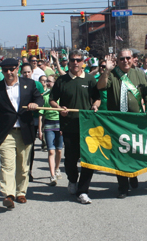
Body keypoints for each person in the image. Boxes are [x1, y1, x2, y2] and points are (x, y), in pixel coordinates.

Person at [0, 58, 43, 209]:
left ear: (17, 69)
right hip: (6, 131)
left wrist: (35, 104)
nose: (9, 73)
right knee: (7, 164)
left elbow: (39, 98)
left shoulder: (29, 84)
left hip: (25, 129)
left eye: (12, 69)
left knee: (23, 165)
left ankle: (21, 192)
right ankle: (8, 194)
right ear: (2, 71)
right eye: (5, 70)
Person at [97, 48, 147, 199]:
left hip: (134, 121)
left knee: (134, 151)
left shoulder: (139, 74)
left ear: (132, 58)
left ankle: (133, 174)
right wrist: (107, 71)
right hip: (117, 121)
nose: (125, 61)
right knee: (119, 153)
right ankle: (122, 186)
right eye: (122, 59)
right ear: (117, 60)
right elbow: (101, 86)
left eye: (128, 58)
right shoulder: (112, 73)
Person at [49, 50, 101, 204]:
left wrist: (95, 106)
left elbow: (97, 99)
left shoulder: (90, 79)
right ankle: (72, 180)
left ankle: (83, 190)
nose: (75, 63)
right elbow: (52, 100)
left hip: (87, 127)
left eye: (78, 60)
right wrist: (59, 108)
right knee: (71, 160)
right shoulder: (62, 80)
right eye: (73, 60)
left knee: (88, 159)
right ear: (68, 61)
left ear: (83, 62)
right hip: (69, 126)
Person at [21, 63, 45, 181]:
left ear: (32, 72)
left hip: (35, 118)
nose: (26, 74)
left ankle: (29, 170)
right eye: (24, 72)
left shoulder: (37, 85)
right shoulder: (18, 84)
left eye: (28, 72)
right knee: (21, 145)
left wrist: (36, 104)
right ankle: (21, 170)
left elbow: (40, 99)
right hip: (22, 118)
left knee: (30, 145)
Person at [38, 75, 63, 186]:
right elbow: (41, 115)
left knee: (59, 150)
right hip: (48, 124)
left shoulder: (61, 95)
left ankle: (57, 168)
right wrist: (40, 130)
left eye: (50, 81)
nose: (48, 83)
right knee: (51, 150)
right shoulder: (44, 96)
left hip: (60, 124)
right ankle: (52, 175)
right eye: (46, 81)